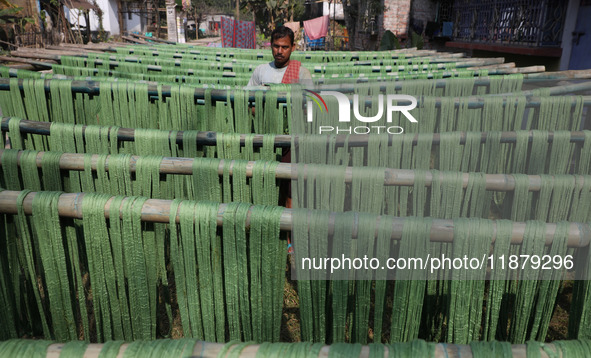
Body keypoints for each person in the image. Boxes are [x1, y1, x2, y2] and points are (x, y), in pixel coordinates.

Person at [247, 26, 312, 86]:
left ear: (293, 47)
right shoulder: (260, 71)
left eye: (285, 47)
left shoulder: (302, 73)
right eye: (276, 46)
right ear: (271, 45)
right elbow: (249, 95)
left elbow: (309, 97)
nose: (279, 51)